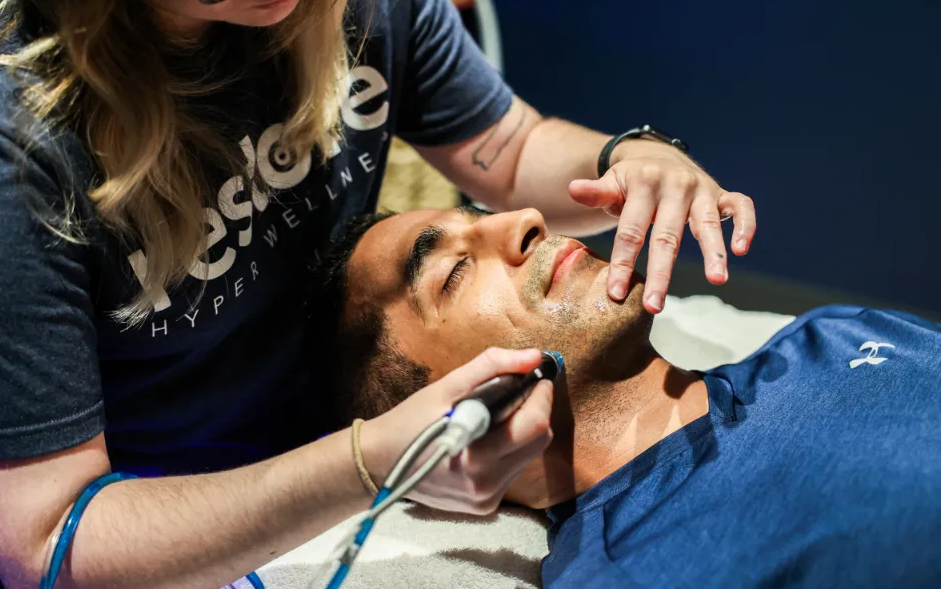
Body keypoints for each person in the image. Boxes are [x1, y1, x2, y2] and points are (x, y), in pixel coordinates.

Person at [0, 0, 757, 587]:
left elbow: (506, 151)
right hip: (100, 508)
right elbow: (49, 541)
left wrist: (626, 158)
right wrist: (366, 463)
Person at [310, 206, 941, 588]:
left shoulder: (834, 334)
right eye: (453, 271)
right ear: (432, 415)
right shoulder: (626, 574)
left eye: (480, 218)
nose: (524, 220)